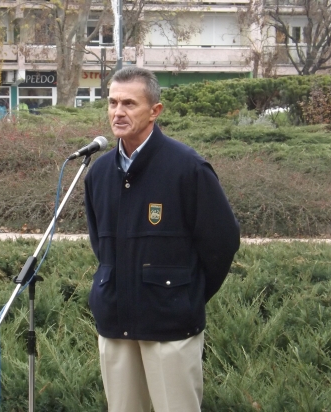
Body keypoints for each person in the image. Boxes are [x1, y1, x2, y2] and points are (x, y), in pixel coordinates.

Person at [84, 66, 240, 412]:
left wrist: (184, 294)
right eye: (112, 102)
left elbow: (222, 243)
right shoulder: (98, 173)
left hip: (171, 325)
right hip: (115, 324)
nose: (118, 112)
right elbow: (101, 245)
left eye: (129, 103)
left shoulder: (188, 168)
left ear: (155, 111)